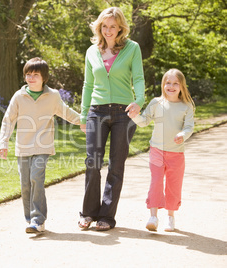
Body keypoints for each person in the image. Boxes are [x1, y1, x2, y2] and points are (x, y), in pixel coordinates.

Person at [78, 7, 145, 231]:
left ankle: (106, 217)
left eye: (113, 27)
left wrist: (140, 101)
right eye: (104, 26)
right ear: (99, 27)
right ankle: (88, 213)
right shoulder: (91, 51)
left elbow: (138, 77)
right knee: (92, 163)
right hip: (96, 111)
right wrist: (83, 113)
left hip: (123, 113)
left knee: (116, 166)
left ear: (120, 28)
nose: (108, 30)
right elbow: (88, 85)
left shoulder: (132, 48)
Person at [0, 57, 81, 233]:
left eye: (35, 74)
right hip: (23, 147)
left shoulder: (52, 96)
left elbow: (66, 112)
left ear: (44, 77)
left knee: (36, 178)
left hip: (43, 146)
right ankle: (30, 220)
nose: (31, 78)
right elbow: (8, 120)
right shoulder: (19, 96)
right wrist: (3, 142)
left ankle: (38, 219)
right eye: (28, 74)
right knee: (25, 183)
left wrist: (84, 121)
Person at [129, 69, 195, 232]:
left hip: (176, 153)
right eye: (168, 83)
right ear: (163, 84)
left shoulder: (186, 106)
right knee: (156, 182)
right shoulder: (156, 103)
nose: (171, 86)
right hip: (157, 150)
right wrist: (134, 115)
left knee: (173, 185)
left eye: (175, 83)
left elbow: (189, 127)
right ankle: (153, 216)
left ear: (181, 86)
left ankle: (171, 218)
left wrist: (183, 135)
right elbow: (144, 121)